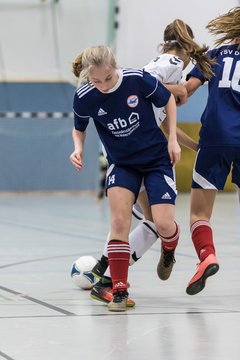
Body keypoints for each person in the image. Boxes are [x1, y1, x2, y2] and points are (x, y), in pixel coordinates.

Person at [90, 19, 214, 305]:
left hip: (144, 146)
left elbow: (159, 120)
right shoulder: (171, 62)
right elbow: (144, 83)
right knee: (141, 221)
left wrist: (193, 144)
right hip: (140, 154)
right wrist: (179, 90)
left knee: (149, 221)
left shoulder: (163, 62)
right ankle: (106, 272)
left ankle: (103, 270)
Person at [70, 45, 181, 311]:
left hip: (156, 161)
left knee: (164, 225)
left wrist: (173, 139)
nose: (103, 85)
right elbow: (79, 128)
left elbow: (168, 100)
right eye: (96, 81)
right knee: (119, 222)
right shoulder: (85, 96)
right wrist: (78, 148)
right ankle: (119, 289)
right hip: (122, 164)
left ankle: (169, 250)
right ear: (88, 76)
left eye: (107, 78)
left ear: (114, 67)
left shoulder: (136, 79)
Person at [184, 6, 240, 295]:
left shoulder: (216, 54)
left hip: (216, 137)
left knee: (199, 214)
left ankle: (207, 256)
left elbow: (185, 92)